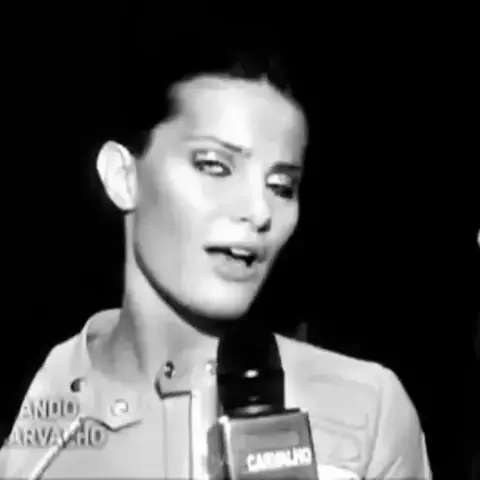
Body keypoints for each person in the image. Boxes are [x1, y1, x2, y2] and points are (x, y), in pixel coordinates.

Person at [0, 36, 432, 479]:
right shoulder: (49, 389)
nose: (260, 211)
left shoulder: (364, 408)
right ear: (123, 176)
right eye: (214, 166)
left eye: (282, 186)